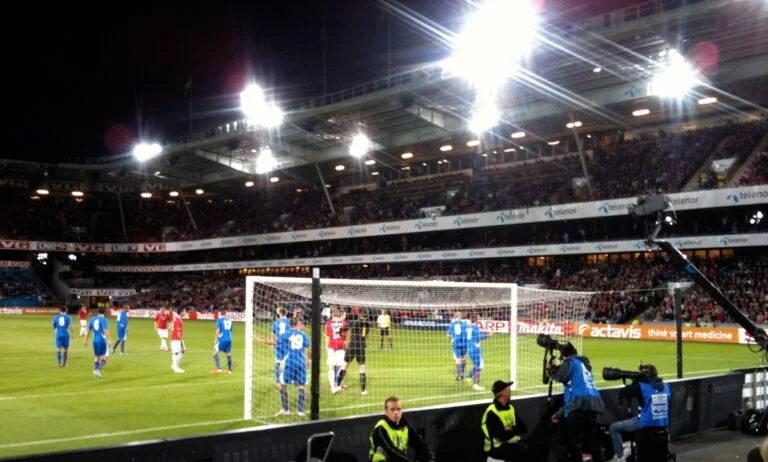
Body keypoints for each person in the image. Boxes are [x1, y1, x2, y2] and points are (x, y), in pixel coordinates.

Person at [549, 342, 606, 462]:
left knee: (573, 442)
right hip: (593, 403)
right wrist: (559, 414)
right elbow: (572, 396)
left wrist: (553, 370)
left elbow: (560, 377)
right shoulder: (583, 364)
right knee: (592, 441)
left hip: (580, 404)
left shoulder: (570, 361)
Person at [608, 365, 670, 462]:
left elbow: (623, 393)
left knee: (614, 428)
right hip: (662, 424)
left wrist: (635, 381)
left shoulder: (642, 387)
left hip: (644, 423)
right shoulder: (666, 386)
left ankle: (620, 457)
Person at [257, 316, 311, 416]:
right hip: (301, 363)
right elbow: (309, 348)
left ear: (290, 325)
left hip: (290, 363)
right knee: (301, 386)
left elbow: (274, 342)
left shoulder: (287, 334)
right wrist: (309, 360)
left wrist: (260, 340)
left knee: (282, 384)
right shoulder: (303, 334)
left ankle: (285, 409)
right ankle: (300, 412)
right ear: (297, 324)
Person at [369, 396, 434, 462]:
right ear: (386, 412)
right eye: (392, 410)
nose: (396, 412)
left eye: (398, 409)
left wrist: (430, 458)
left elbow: (420, 444)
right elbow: (391, 450)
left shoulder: (405, 427)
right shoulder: (380, 429)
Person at [481, 380, 528, 460]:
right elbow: (501, 436)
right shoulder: (492, 412)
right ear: (503, 393)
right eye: (508, 389)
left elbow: (524, 428)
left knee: (524, 447)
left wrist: (510, 428)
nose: (511, 391)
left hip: (511, 448)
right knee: (521, 449)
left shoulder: (511, 408)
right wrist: (515, 429)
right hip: (496, 452)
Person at [337, 306, 370, 395]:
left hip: (352, 346)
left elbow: (342, 329)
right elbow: (365, 336)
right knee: (362, 368)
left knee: (344, 366)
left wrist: (340, 333)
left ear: (359, 314)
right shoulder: (367, 324)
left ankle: (338, 386)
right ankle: (363, 391)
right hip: (361, 347)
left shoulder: (354, 322)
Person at [325, 307, 348, 393]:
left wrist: (326, 347)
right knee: (340, 366)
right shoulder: (344, 323)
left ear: (332, 313)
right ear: (339, 313)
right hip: (341, 346)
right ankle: (337, 385)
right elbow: (345, 337)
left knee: (331, 367)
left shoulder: (328, 323)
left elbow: (327, 336)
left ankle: (333, 387)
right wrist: (346, 347)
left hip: (331, 346)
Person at [466, 314, 490, 391]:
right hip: (475, 349)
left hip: (469, 349)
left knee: (478, 366)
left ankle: (469, 376)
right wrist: (489, 335)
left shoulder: (468, 327)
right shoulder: (476, 328)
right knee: (479, 367)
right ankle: (476, 384)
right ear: (477, 321)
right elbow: (479, 337)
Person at [84, 308, 110, 378]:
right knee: (106, 356)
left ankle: (96, 371)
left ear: (98, 312)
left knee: (97, 356)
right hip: (102, 340)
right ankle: (97, 370)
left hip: (95, 340)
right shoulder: (104, 319)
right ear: (104, 313)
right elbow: (105, 329)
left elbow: (88, 330)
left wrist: (86, 340)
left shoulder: (93, 319)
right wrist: (109, 339)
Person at [447, 312, 468, 381]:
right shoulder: (464, 324)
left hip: (456, 344)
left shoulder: (452, 324)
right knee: (463, 359)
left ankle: (457, 376)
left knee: (458, 360)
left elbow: (448, 336)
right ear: (460, 316)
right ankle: (462, 375)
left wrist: (453, 337)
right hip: (464, 344)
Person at [272, 307, 291, 384]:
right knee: (288, 362)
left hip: (279, 344)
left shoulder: (275, 323)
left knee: (278, 362)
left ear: (279, 314)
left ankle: (277, 380)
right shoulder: (289, 322)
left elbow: (273, 334)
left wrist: (273, 343)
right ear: (286, 313)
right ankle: (286, 379)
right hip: (288, 344)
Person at [213, 308, 234, 374]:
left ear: (220, 314)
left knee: (215, 352)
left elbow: (218, 330)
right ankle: (230, 370)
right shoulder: (230, 321)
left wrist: (216, 338)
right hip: (229, 339)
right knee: (228, 353)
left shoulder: (219, 320)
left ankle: (219, 369)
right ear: (225, 314)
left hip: (222, 339)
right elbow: (231, 330)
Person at [170, 307, 186, 373]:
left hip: (176, 338)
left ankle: (175, 365)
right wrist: (181, 340)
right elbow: (178, 331)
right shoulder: (178, 320)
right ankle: (176, 368)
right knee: (176, 353)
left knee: (182, 351)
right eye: (184, 311)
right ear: (181, 312)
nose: (185, 313)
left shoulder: (177, 318)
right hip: (176, 338)